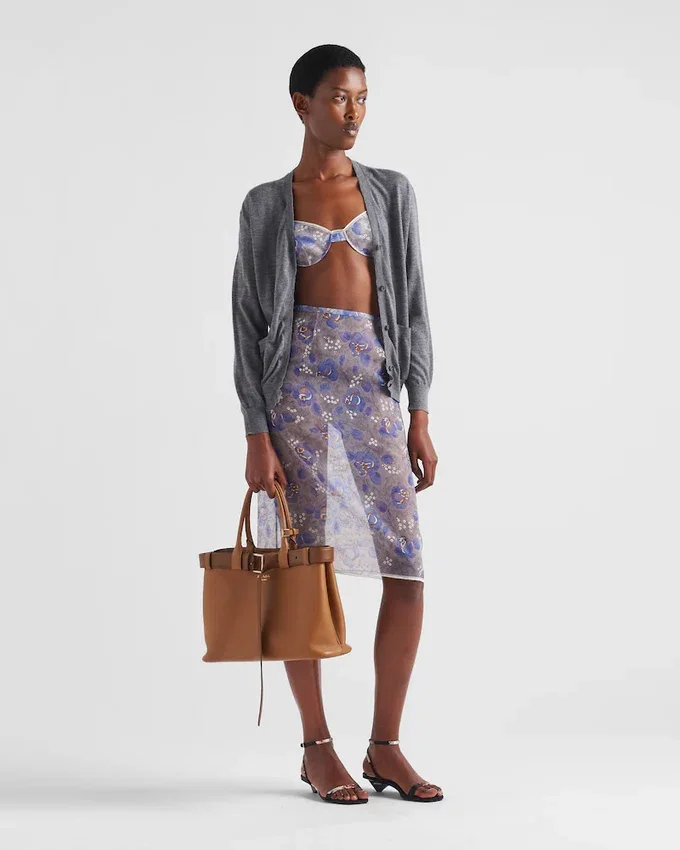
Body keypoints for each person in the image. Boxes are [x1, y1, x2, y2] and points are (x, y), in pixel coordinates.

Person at [231, 44, 441, 804]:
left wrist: (419, 412)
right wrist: (256, 433)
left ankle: (385, 746)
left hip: (373, 388)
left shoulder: (389, 192)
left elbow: (411, 305)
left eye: (362, 98)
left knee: (405, 565)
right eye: (338, 98)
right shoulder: (267, 204)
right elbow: (248, 322)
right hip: (295, 396)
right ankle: (317, 747)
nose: (353, 113)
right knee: (301, 569)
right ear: (302, 104)